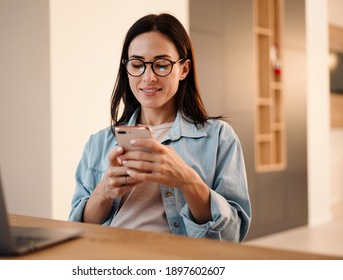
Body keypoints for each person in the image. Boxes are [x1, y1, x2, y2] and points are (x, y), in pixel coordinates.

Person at [69, 13, 251, 242]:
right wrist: (104, 190)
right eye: (137, 64)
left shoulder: (219, 138)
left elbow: (232, 235)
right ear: (127, 69)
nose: (148, 77)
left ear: (183, 69)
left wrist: (188, 181)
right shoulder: (98, 143)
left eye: (161, 65)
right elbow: (80, 230)